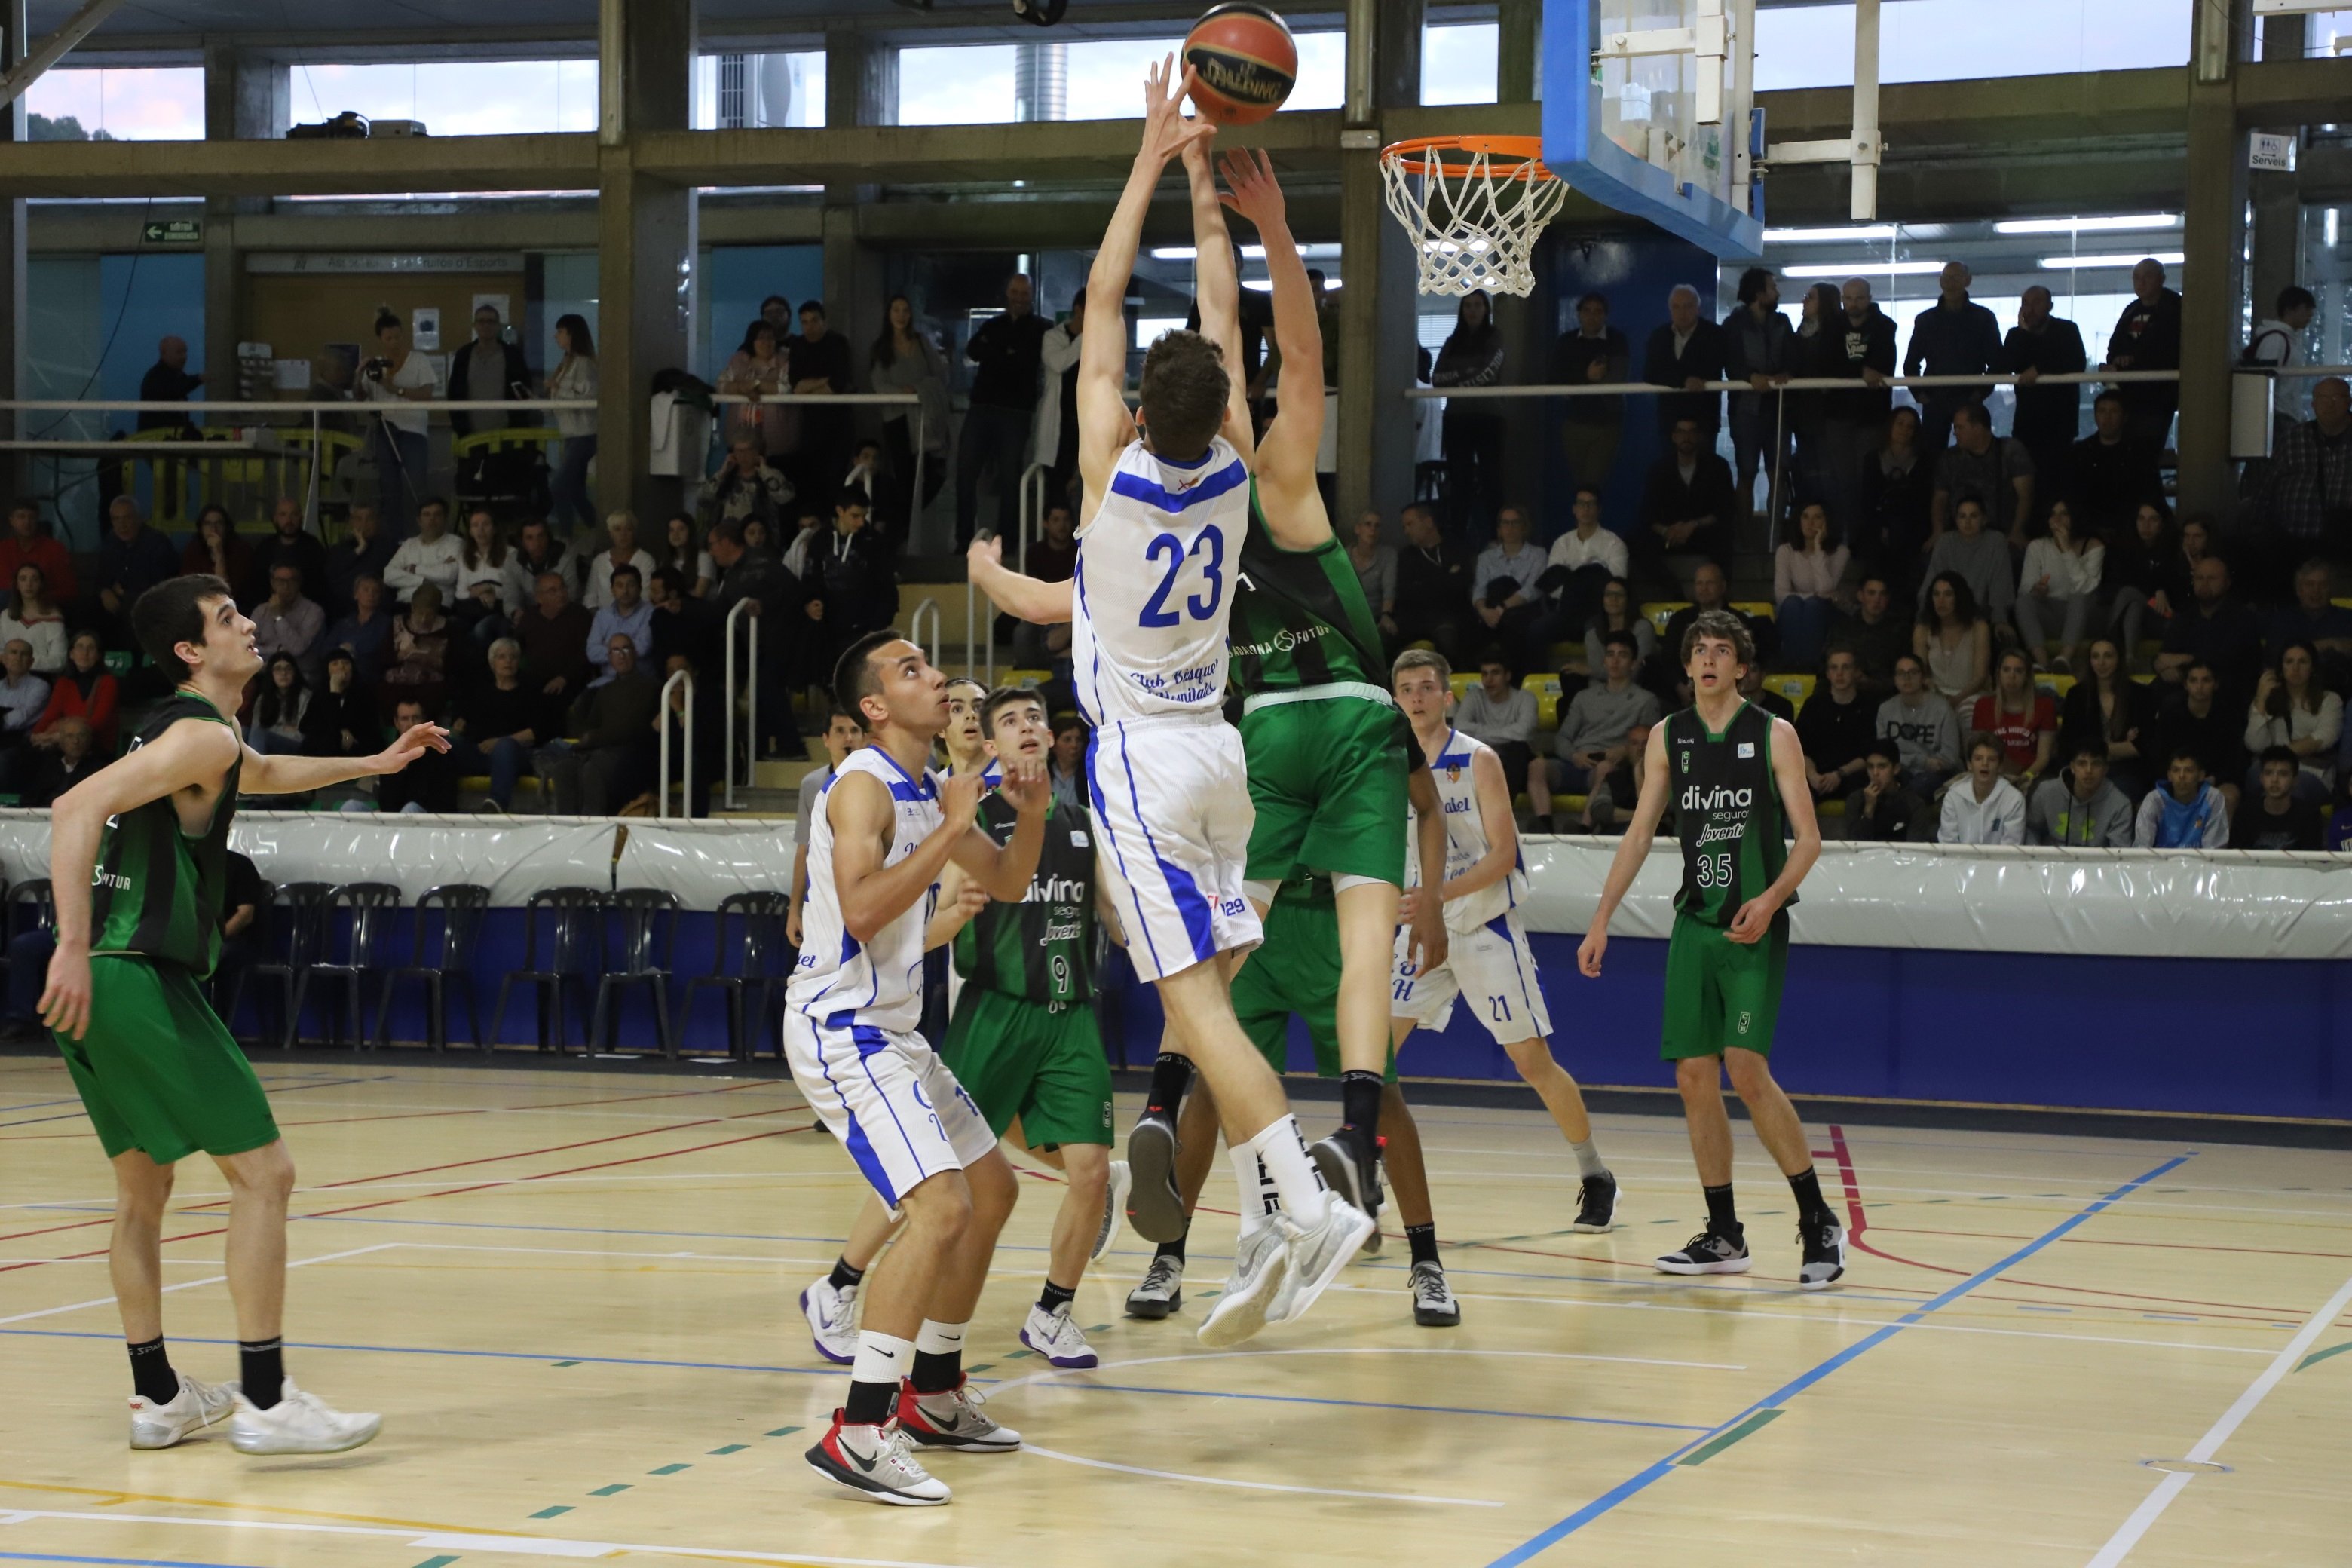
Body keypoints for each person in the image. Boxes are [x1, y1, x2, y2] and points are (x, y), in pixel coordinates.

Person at [965, 85, 1377, 1351]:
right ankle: (1266, 1207)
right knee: (1227, 986)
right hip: (1221, 751)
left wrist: (1151, 157)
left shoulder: (1107, 476)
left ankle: (1307, 1202)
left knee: (1193, 1013)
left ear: (1138, 413)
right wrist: (1219, 204)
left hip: (1145, 767)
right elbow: (1228, 327)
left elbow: (1096, 306)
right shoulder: (1244, 475)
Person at [39, 572, 447, 1456]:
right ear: (192, 651)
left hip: (109, 985)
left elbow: (258, 772)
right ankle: (266, 1398)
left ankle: (157, 1396)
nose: (250, 624)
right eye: (227, 619)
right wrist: (71, 943)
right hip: (132, 975)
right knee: (267, 1176)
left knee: (143, 1187)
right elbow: (72, 805)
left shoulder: (193, 734)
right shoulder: (195, 732)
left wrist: (374, 763)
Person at [786, 633, 1051, 1507]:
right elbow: (861, 910)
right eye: (912, 672)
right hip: (842, 1026)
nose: (936, 678)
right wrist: (953, 826)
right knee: (938, 1208)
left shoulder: (926, 789)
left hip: (896, 1030)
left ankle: (933, 1392)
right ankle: (861, 1429)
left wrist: (1033, 802)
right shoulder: (861, 784)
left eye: (931, 668)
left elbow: (1009, 882)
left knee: (994, 1190)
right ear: (873, 707)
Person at [807, 686, 1131, 1373]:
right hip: (985, 1006)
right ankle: (841, 1286)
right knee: (934, 1179)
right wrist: (954, 915)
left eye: (1036, 717)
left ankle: (1048, 1315)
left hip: (1068, 1012)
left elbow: (1103, 910)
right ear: (988, 741)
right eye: (1008, 720)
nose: (1029, 728)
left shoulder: (1076, 819)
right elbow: (919, 925)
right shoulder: (953, 814)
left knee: (1078, 1170)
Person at [1579, 610, 1843, 1288]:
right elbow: (1640, 833)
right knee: (1694, 1077)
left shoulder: (1774, 733)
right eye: (1699, 650)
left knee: (1747, 1072)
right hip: (1695, 926)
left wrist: (1772, 898)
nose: (1709, 660)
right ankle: (1724, 1234)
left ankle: (1818, 1222)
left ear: (1742, 668)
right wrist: (1601, 917)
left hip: (1753, 925)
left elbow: (1808, 839)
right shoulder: (1669, 736)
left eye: (1722, 651)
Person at [1391, 651, 1619, 1240]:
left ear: (1447, 697)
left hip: (1482, 925)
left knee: (1531, 1061)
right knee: (1375, 1056)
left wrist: (1437, 895)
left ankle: (1595, 1173)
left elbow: (1503, 857)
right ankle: (1365, 1180)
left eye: (1426, 687)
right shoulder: (1385, 763)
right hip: (1419, 932)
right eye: (1406, 688)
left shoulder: (1479, 759)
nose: (1416, 697)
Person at [957, 273, 1052, 548]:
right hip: (981, 407)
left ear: (1032, 296)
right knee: (965, 471)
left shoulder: (1040, 328)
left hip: (1015, 412)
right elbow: (973, 350)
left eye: (1024, 293)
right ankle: (963, 540)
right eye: (1015, 292)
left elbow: (1023, 363)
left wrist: (995, 352)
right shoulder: (993, 324)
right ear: (1007, 294)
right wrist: (1005, 354)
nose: (1019, 298)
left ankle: (1007, 541)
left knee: (1011, 477)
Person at [1532, 629, 1659, 832]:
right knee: (1537, 765)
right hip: (1577, 761)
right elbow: (1562, 737)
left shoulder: (1645, 700)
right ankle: (1544, 824)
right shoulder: (1584, 697)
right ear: (1603, 661)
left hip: (1609, 765)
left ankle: (1584, 828)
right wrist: (1574, 756)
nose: (1615, 661)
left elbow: (1648, 741)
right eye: (1610, 654)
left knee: (1604, 769)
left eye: (1623, 655)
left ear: (1634, 663)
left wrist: (1625, 750)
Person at [533, 635, 659, 816]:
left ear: (635, 653)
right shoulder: (604, 691)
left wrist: (593, 738)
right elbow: (590, 726)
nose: (621, 655)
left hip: (630, 752)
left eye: (626, 649)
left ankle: (594, 825)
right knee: (564, 768)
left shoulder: (650, 687)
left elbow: (633, 726)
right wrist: (586, 738)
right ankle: (567, 828)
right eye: (616, 650)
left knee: (593, 768)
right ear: (609, 657)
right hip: (600, 750)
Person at [1815, 277, 1900, 536]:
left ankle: (1866, 536)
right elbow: (1826, 364)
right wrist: (1862, 370)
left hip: (1871, 416)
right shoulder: (1830, 326)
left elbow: (1885, 364)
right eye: (1848, 298)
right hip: (1838, 415)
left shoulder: (1885, 326)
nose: (1853, 303)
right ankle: (1848, 537)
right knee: (1843, 480)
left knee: (1868, 479)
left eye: (1859, 298)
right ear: (1842, 299)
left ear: (1869, 298)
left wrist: (1851, 372)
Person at [357, 310, 440, 537]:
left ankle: (423, 537)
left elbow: (427, 394)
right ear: (380, 340)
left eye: (398, 337)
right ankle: (392, 540)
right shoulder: (376, 364)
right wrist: (360, 373)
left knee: (416, 487)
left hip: (413, 431)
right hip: (385, 431)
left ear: (404, 335)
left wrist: (396, 388)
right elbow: (360, 396)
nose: (394, 342)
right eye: (388, 338)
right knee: (389, 489)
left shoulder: (419, 359)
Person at [1904, 262, 2001, 456]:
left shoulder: (1983, 318)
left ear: (1968, 281)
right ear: (1940, 282)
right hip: (1935, 399)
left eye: (1956, 277)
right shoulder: (1925, 320)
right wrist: (1920, 394)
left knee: (1974, 453)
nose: (1950, 283)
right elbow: (1911, 362)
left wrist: (1979, 393)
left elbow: (1998, 361)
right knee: (1931, 456)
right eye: (1946, 278)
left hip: (1969, 397)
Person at [870, 295, 951, 525]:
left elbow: (940, 374)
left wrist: (918, 389)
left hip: (926, 416)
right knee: (904, 476)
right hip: (897, 418)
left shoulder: (922, 342)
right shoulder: (881, 347)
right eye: (896, 310)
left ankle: (904, 522)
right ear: (888, 314)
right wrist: (902, 393)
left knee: (933, 473)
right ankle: (902, 526)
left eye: (905, 310)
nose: (901, 315)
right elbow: (879, 385)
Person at [1432, 289, 1505, 537]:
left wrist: (1458, 377)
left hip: (1488, 417)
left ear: (1486, 310)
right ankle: (1458, 538)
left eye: (1477, 305)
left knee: (1491, 481)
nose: (1472, 310)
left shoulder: (1495, 337)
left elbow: (1488, 373)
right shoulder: (1452, 341)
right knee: (1459, 482)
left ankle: (1498, 537)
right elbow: (1437, 378)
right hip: (1456, 419)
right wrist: (1468, 372)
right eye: (1467, 306)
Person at [2001, 285, 2090, 486]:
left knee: (2057, 480)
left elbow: (2076, 362)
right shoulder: (2015, 335)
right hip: (2027, 422)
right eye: (2025, 303)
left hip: (2060, 422)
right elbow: (2006, 365)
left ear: (2050, 305)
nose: (2029, 309)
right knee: (2027, 482)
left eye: (2036, 303)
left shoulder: (2067, 330)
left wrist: (2040, 369)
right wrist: (2023, 333)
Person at [1722, 268, 1793, 516]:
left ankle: (1776, 537)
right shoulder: (1733, 325)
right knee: (1746, 472)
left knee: (1779, 472)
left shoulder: (1782, 322)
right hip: (1746, 410)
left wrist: (1786, 372)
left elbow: (1791, 357)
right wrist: (1750, 377)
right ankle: (1746, 541)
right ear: (1758, 293)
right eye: (1773, 287)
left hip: (1778, 408)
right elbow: (1730, 361)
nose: (1777, 292)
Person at [2155, 556, 2265, 713]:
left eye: (2212, 578)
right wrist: (2161, 665)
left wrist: (2186, 659)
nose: (2204, 584)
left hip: (2229, 696)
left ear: (2227, 583)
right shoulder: (2185, 615)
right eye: (2200, 578)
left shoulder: (2242, 618)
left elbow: (2228, 661)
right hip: (2184, 692)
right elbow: (2165, 655)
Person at [446, 638, 541, 810]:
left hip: (515, 755)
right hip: (480, 753)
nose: (508, 661)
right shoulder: (479, 692)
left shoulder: (529, 692)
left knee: (504, 746)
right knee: (439, 743)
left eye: (513, 657)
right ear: (492, 663)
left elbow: (537, 731)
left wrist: (499, 743)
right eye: (502, 657)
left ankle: (496, 803)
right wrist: (460, 723)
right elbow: (461, 722)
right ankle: (437, 802)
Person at [2058, 637, 2156, 802]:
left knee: (2118, 792)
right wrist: (2121, 747)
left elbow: (2144, 746)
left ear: (2119, 659)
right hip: (2085, 769)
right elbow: (2070, 744)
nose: (2101, 662)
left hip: (2128, 771)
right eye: (2095, 657)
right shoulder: (2077, 695)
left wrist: (2095, 747)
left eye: (2108, 656)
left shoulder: (2140, 694)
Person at [2244, 639, 2341, 803]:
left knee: (2292, 787)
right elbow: (2255, 745)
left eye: (2302, 662)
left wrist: (2277, 757)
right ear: (2280, 668)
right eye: (2289, 662)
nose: (2295, 668)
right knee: (2254, 776)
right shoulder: (2267, 698)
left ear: (2313, 668)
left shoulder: (2330, 700)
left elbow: (2325, 737)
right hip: (2270, 770)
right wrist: (2261, 700)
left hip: (2312, 771)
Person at [1556, 291, 1631, 500]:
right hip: (1574, 422)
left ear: (1605, 315)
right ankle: (1582, 529)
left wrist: (1578, 383)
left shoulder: (1616, 340)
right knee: (1579, 483)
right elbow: (1556, 378)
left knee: (1592, 484)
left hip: (1607, 423)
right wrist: (1587, 376)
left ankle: (1591, 530)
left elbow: (1617, 379)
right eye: (1587, 310)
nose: (1592, 316)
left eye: (1598, 311)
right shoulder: (1566, 342)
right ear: (1579, 314)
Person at [2104, 257, 2183, 449]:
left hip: (2157, 397)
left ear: (2161, 279)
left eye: (2147, 277)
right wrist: (2114, 362)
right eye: (2136, 278)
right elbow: (2114, 346)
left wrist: (2133, 361)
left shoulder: (2177, 309)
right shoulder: (2131, 310)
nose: (2141, 283)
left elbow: (2170, 350)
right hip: (2128, 396)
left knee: (2145, 453)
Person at [2015, 499, 2102, 673]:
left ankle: (2064, 659)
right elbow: (2025, 589)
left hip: (2084, 615)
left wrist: (2065, 550)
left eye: (2064, 514)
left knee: (2078, 597)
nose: (2058, 519)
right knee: (2023, 602)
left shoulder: (2094, 546)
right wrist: (2037, 590)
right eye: (2053, 514)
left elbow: (2086, 588)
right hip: (2052, 612)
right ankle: (2042, 662)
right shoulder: (2038, 546)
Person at [1639, 416, 1737, 566]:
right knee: (1636, 542)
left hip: (1702, 533)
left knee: (1723, 540)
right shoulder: (1659, 469)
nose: (1686, 437)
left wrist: (1693, 525)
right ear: (1674, 437)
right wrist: (1667, 531)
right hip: (1670, 534)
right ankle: (1672, 588)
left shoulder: (1717, 467)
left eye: (1692, 432)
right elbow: (1648, 515)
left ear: (1699, 436)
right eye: (1681, 432)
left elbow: (1724, 509)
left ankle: (1717, 587)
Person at [2070, 390, 2164, 544]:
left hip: (2130, 532)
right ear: (2095, 416)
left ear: (2124, 417)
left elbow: (2151, 493)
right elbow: (2074, 496)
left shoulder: (2140, 454)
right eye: (2102, 411)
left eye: (2114, 411)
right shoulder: (2080, 453)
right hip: (2088, 531)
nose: (2107, 418)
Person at [787, 299, 855, 505]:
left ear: (824, 321)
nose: (810, 327)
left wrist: (812, 386)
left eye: (814, 321)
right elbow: (796, 385)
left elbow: (837, 385)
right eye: (805, 322)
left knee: (835, 479)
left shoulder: (838, 342)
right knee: (811, 480)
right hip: (810, 424)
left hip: (838, 424)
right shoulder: (797, 345)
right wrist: (823, 381)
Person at [1470, 504, 1551, 675]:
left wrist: (1502, 609)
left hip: (1523, 609)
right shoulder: (1486, 557)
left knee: (1512, 626)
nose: (1510, 528)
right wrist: (1484, 611)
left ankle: (1515, 679)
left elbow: (1533, 589)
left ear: (1524, 527)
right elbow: (1480, 587)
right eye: (1505, 523)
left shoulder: (1538, 554)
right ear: (1499, 529)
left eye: (1515, 523)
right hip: (1490, 609)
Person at [1392, 501, 1473, 666]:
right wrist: (1446, 576)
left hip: (1454, 617)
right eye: (1404, 526)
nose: (1406, 531)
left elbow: (1462, 585)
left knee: (1451, 638)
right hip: (1417, 620)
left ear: (1428, 522)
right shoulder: (1407, 557)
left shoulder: (1456, 549)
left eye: (1410, 524)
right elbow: (1407, 593)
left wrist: (1426, 582)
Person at [1641, 283, 1726, 443]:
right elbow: (1650, 373)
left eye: (1688, 306)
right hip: (1670, 421)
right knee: (1670, 466)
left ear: (1698, 309)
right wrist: (1684, 380)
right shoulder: (1659, 337)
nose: (1682, 312)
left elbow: (1712, 367)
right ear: (1670, 310)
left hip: (1704, 419)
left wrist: (1674, 376)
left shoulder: (1715, 335)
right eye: (1676, 307)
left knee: (1705, 466)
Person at [1857, 404, 1932, 580]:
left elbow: (1922, 500)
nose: (1904, 430)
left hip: (1911, 525)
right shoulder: (1873, 458)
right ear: (1890, 425)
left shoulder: (1923, 460)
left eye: (1910, 426)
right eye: (1900, 424)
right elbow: (1868, 499)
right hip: (1878, 522)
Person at [1919, 497, 2014, 633]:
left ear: (1984, 519)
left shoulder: (1996, 541)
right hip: (1947, 614)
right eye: (1962, 516)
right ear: (1956, 520)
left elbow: (2001, 586)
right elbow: (1930, 584)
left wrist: (2000, 620)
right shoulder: (1945, 542)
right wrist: (1923, 619)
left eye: (1973, 516)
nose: (1967, 522)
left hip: (1982, 618)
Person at [2102, 498, 2180, 666]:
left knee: (2129, 594)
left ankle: (2108, 643)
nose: (2146, 525)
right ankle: (2129, 659)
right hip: (2139, 611)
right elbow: (2123, 581)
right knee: (2133, 605)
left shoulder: (2171, 550)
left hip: (2162, 616)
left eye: (2153, 519)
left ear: (2162, 523)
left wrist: (2161, 589)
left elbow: (2172, 585)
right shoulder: (2126, 548)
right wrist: (2156, 590)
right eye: (2141, 519)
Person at [1797, 648, 1879, 804]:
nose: (1839, 674)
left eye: (1846, 667)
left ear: (1857, 672)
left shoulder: (1870, 706)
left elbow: (1869, 754)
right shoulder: (1814, 705)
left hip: (1852, 776)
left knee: (1866, 787)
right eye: (1834, 668)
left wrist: (1839, 774)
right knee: (1792, 789)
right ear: (1828, 673)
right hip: (1817, 775)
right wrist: (1813, 776)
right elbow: (1801, 748)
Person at [1773, 501, 1848, 669]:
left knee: (1814, 605)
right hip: (1795, 611)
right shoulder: (1785, 551)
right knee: (1792, 604)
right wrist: (1809, 599)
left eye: (1817, 517)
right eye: (1805, 517)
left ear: (1827, 522)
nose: (1810, 523)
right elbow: (1780, 594)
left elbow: (1824, 589)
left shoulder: (1841, 552)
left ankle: (1809, 666)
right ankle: (1791, 666)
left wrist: (1818, 548)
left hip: (1828, 611)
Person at [2025, 736, 2134, 847]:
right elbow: (2031, 829)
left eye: (2096, 764)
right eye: (2082, 763)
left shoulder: (2120, 804)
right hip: (2051, 862)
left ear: (2105, 769)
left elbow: (2119, 854)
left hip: (2098, 863)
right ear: (2072, 767)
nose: (2088, 770)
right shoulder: (2046, 792)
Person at [1971, 649, 2056, 789]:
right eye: (2006, 670)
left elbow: (2043, 758)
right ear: (1998, 674)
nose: (2012, 676)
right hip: (1993, 774)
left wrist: (2025, 777)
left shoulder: (2044, 706)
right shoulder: (1983, 705)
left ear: (2027, 676)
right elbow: (1977, 751)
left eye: (2018, 671)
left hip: (2031, 775)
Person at [1454, 651, 1538, 793]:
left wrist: (1479, 733)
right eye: (1484, 674)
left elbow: (1523, 733)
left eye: (1495, 673)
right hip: (1482, 759)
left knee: (1518, 748)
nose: (1489, 680)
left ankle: (1505, 811)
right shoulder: (1474, 696)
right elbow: (1460, 729)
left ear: (1508, 676)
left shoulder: (1525, 698)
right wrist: (1505, 733)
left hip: (1517, 764)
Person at [545, 314, 599, 534]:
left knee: (558, 487)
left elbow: (588, 400)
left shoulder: (584, 364)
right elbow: (559, 404)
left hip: (584, 434)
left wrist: (558, 389)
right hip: (569, 434)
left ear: (571, 335)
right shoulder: (564, 364)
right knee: (576, 492)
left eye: (560, 331)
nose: (556, 336)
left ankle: (566, 537)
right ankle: (598, 529)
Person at [1877, 651, 1959, 795]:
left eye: (1913, 672)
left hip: (1936, 774)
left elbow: (1950, 758)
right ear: (1895, 679)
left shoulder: (1942, 709)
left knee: (1918, 787)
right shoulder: (1886, 709)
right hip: (1901, 770)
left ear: (1923, 677)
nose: (1907, 678)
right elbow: (1884, 756)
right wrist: (1921, 761)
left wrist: (1911, 762)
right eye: (1901, 673)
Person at [445, 302, 528, 438]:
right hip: (470, 432)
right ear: (475, 325)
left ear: (498, 325)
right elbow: (454, 391)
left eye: (491, 321)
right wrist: (459, 425)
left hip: (506, 432)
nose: (486, 325)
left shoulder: (512, 355)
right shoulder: (464, 355)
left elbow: (524, 389)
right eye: (481, 321)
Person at [34, 632, 121, 756]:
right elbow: (50, 715)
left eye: (91, 648)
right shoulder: (64, 683)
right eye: (80, 647)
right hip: (62, 742)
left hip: (95, 744)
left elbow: (98, 722)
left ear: (98, 655)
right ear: (71, 654)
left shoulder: (108, 682)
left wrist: (62, 736)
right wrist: (36, 735)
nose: (85, 653)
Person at [719, 318, 793, 458]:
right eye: (761, 338)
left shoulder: (784, 360)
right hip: (739, 438)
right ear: (751, 340)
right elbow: (721, 385)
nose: (766, 343)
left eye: (770, 338)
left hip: (776, 440)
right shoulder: (738, 360)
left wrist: (757, 385)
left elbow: (787, 388)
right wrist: (742, 388)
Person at [1915, 570, 1991, 705]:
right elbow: (1920, 673)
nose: (1941, 600)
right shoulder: (1923, 629)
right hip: (1935, 695)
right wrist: (1937, 695)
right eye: (1936, 594)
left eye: (1948, 594)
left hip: (1971, 695)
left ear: (1959, 597)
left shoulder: (1978, 627)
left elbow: (1980, 677)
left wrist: (1956, 699)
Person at [373, 697, 458, 814]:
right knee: (352, 806)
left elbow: (442, 803)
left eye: (415, 718)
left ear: (423, 721)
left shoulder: (439, 752)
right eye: (405, 719)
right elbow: (387, 806)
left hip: (430, 820)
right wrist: (402, 769)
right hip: (395, 820)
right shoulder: (390, 754)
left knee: (411, 808)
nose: (411, 724)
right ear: (396, 723)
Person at [1939, 732, 2026, 845]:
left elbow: (2011, 848)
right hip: (1960, 862)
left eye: (1992, 759)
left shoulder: (2014, 799)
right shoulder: (1953, 796)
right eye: (1978, 758)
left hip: (2000, 862)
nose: (1985, 764)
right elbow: (1948, 844)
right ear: (1969, 764)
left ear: (2000, 766)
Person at [2233, 745, 2323, 850]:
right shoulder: (2245, 813)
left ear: (2295, 780)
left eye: (2283, 774)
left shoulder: (2309, 815)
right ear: (2261, 778)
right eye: (2268, 773)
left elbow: (2311, 861)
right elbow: (2237, 860)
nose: (2274, 780)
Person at [1825, 574, 1909, 688]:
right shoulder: (1842, 629)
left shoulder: (1900, 631)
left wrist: (1871, 683)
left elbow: (1905, 673)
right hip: (1845, 690)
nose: (1877, 599)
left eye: (1882, 594)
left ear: (1888, 598)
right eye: (1871, 593)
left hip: (1884, 694)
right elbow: (1826, 664)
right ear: (1860, 596)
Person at [2136, 748, 2228, 848]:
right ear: (2169, 776)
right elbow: (2142, 847)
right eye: (2176, 771)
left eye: (2189, 771)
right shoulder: (2155, 800)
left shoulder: (2213, 798)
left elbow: (2214, 851)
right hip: (2161, 863)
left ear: (2201, 775)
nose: (2181, 776)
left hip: (2200, 863)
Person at [247, 497, 330, 609]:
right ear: (275, 518)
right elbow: (256, 586)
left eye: (294, 514)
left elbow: (321, 587)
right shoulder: (264, 548)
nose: (289, 520)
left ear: (301, 518)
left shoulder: (313, 547)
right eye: (283, 515)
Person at [251, 564, 325, 685]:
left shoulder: (314, 611)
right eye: (281, 581)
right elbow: (249, 647)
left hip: (301, 676)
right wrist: (280, 650)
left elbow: (297, 649)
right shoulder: (261, 611)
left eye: (292, 581)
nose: (286, 586)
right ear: (273, 583)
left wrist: (278, 617)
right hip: (265, 673)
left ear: (299, 583)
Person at [381, 498, 463, 605]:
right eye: (427, 515)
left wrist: (413, 569)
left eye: (437, 515)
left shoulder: (456, 543)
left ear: (445, 518)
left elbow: (448, 575)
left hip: (438, 607)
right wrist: (423, 581)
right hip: (405, 604)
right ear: (419, 520)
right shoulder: (409, 544)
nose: (432, 519)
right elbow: (389, 576)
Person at [1849, 741, 1933, 842]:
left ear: (1896, 769)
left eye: (1882, 766)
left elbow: (1915, 849)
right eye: (1870, 767)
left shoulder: (1914, 804)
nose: (1875, 773)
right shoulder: (1856, 800)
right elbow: (1854, 847)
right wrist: (1868, 810)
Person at [0, 499, 77, 608]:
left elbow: (69, 589)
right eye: (21, 517)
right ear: (12, 521)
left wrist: (38, 597)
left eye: (32, 517)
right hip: (10, 606)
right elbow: (3, 585)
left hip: (45, 607)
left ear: (37, 520)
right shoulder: (3, 549)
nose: (27, 522)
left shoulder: (55, 548)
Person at [1576, 575, 1657, 678]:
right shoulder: (1593, 633)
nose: (1613, 599)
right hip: (1601, 689)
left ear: (1628, 599)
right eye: (1608, 594)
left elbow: (1637, 672)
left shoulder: (1643, 628)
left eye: (1619, 595)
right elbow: (1596, 670)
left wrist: (1591, 672)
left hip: (1636, 688)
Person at [300, 649, 374, 761]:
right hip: (325, 746)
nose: (341, 667)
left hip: (354, 747)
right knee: (321, 740)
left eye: (346, 663)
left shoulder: (364, 693)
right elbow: (305, 726)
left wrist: (335, 694)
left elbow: (368, 729)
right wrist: (334, 692)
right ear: (328, 670)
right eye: (335, 664)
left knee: (330, 740)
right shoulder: (320, 693)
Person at [323, 504, 394, 620]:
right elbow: (332, 575)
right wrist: (358, 550)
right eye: (359, 519)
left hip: (378, 613)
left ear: (377, 521)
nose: (364, 524)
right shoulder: (339, 549)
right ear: (351, 522)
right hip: (341, 614)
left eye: (369, 519)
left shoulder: (389, 549)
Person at [320, 574, 393, 687]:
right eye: (366, 590)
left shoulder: (387, 624)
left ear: (381, 597)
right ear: (356, 594)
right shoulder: (343, 623)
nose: (371, 594)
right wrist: (342, 651)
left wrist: (352, 650)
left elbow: (381, 655)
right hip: (339, 680)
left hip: (369, 681)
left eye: (376, 591)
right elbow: (326, 650)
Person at [580, 511, 660, 612]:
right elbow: (590, 597)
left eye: (629, 529)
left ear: (634, 533)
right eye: (617, 529)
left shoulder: (646, 560)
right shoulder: (599, 561)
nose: (623, 534)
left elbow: (646, 596)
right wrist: (601, 620)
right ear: (610, 534)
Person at [583, 564, 653, 678]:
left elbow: (643, 647)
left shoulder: (650, 612)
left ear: (640, 589)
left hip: (640, 680)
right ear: (612, 590)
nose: (625, 591)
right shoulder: (602, 615)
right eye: (620, 586)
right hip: (607, 682)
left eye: (631, 585)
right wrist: (627, 649)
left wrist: (609, 648)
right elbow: (592, 652)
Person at [1345, 510, 1400, 651]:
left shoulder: (1387, 555)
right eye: (1368, 524)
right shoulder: (1343, 556)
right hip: (1348, 617)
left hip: (1375, 615)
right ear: (1358, 529)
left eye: (1377, 526)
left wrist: (1386, 615)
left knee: (1385, 635)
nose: (1372, 530)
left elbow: (1389, 588)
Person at [0, 562, 68, 675]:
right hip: (7, 675)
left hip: (40, 676)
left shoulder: (54, 618)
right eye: (23, 579)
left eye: (34, 579)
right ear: (16, 585)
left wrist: (21, 663)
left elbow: (59, 661)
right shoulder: (6, 615)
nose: (29, 584)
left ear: (41, 584)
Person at [20, 712, 97, 808]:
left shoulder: (99, 770)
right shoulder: (47, 767)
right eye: (70, 736)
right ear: (60, 741)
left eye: (81, 736)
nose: (76, 741)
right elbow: (29, 799)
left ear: (89, 739)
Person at [181, 508, 253, 603]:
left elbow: (225, 593)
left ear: (226, 527)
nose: (213, 529)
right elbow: (188, 588)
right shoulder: (193, 550)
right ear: (201, 528)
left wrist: (219, 555)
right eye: (208, 524)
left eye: (219, 524)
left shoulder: (241, 551)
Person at [244, 654, 311, 757]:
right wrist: (284, 728)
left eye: (288, 669)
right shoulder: (264, 698)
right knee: (242, 731)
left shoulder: (305, 696)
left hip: (296, 745)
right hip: (268, 739)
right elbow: (256, 726)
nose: (284, 673)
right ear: (271, 674)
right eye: (278, 669)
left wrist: (272, 729)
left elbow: (301, 734)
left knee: (260, 735)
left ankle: (254, 770)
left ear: (295, 672)